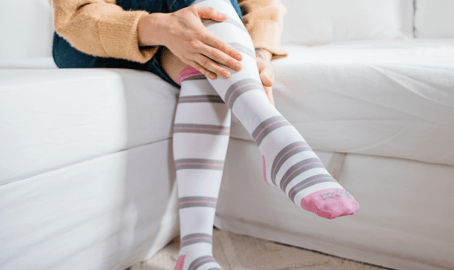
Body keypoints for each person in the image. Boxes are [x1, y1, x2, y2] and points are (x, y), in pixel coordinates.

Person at [50, 0, 360, 269]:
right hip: (99, 36)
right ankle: (274, 135)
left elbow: (264, 5)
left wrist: (258, 57)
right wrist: (161, 27)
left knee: (205, 59)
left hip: (196, 34)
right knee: (206, 27)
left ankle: (195, 253)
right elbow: (75, 15)